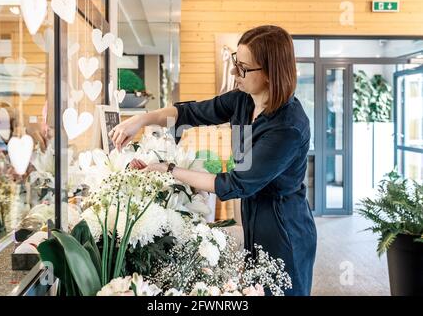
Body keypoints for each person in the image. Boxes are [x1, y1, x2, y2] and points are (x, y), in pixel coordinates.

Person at [110, 25, 317, 296]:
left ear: (269, 73)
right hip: (254, 218)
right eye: (235, 62)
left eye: (243, 68)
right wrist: (141, 119)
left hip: (285, 230)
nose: (234, 73)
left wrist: (169, 169)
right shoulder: (244, 101)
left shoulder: (288, 127)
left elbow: (233, 184)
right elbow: (192, 112)